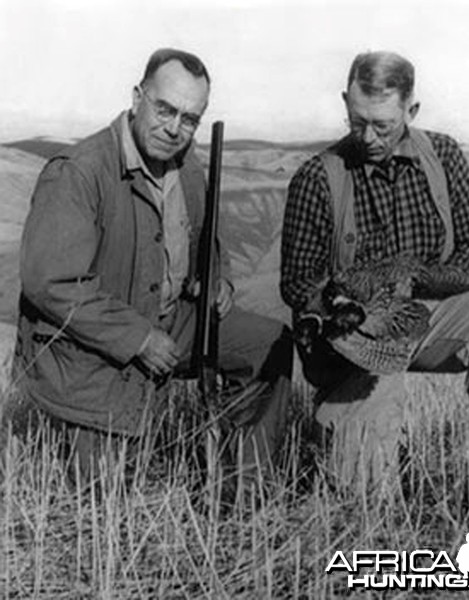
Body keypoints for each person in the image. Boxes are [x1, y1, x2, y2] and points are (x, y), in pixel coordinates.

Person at [13, 48, 293, 490]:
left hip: (166, 318)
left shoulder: (187, 166)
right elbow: (51, 284)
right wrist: (139, 339)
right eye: (165, 109)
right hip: (90, 348)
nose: (174, 128)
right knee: (103, 500)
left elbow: (202, 243)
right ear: (137, 97)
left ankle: (244, 488)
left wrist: (214, 280)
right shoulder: (79, 173)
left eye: (189, 118)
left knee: (268, 344)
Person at [281, 50, 469, 467]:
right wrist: (349, 305)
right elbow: (297, 281)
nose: (368, 137)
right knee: (359, 491)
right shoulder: (316, 178)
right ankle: (349, 445)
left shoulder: (443, 156)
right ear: (345, 103)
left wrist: (429, 282)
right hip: (356, 330)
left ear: (411, 109)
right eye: (357, 121)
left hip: (431, 312)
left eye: (382, 125)